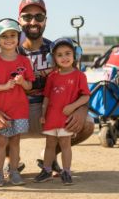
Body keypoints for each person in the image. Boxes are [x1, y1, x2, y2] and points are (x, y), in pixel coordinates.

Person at [0, 0, 94, 174]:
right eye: (27, 17)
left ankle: (50, 154)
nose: (33, 21)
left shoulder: (58, 50)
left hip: (50, 112)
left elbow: (78, 85)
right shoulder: (3, 51)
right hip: (12, 112)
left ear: (45, 21)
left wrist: (81, 109)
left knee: (86, 123)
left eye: (39, 17)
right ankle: (11, 160)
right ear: (19, 20)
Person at [0, 18, 35, 186]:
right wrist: (4, 86)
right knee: (1, 142)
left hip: (20, 110)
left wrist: (22, 83)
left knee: (15, 142)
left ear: (19, 37)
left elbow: (29, 86)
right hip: (2, 110)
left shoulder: (24, 61)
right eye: (4, 36)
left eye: (13, 35)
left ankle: (14, 172)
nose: (9, 39)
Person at [33, 37, 90, 185]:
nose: (64, 57)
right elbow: (46, 97)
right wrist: (43, 115)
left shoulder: (79, 76)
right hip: (52, 117)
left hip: (66, 118)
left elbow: (85, 96)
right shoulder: (52, 76)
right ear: (53, 58)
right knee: (49, 144)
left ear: (75, 55)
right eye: (59, 55)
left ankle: (66, 171)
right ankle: (46, 170)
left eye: (67, 53)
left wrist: (72, 107)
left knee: (65, 144)